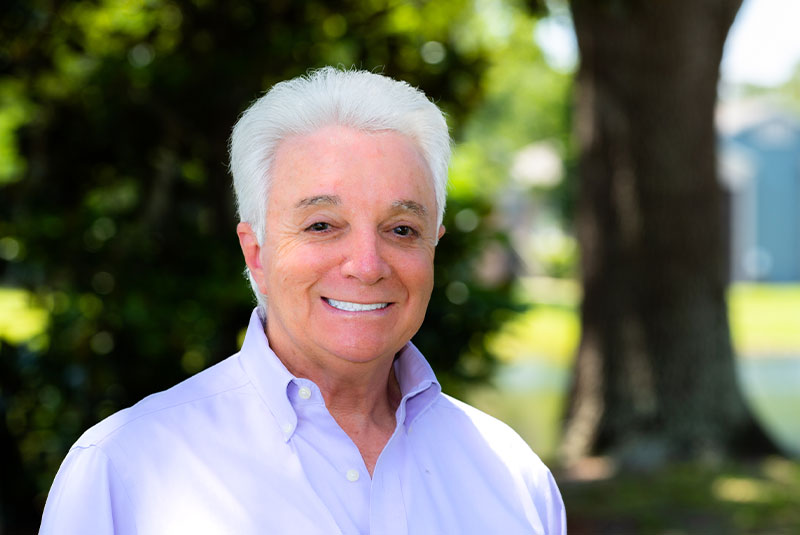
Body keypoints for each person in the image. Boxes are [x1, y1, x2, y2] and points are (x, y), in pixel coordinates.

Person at [40, 67, 566, 534]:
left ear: (434, 248)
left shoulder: (515, 478)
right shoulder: (122, 472)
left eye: (402, 229)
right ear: (257, 254)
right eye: (321, 225)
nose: (367, 264)